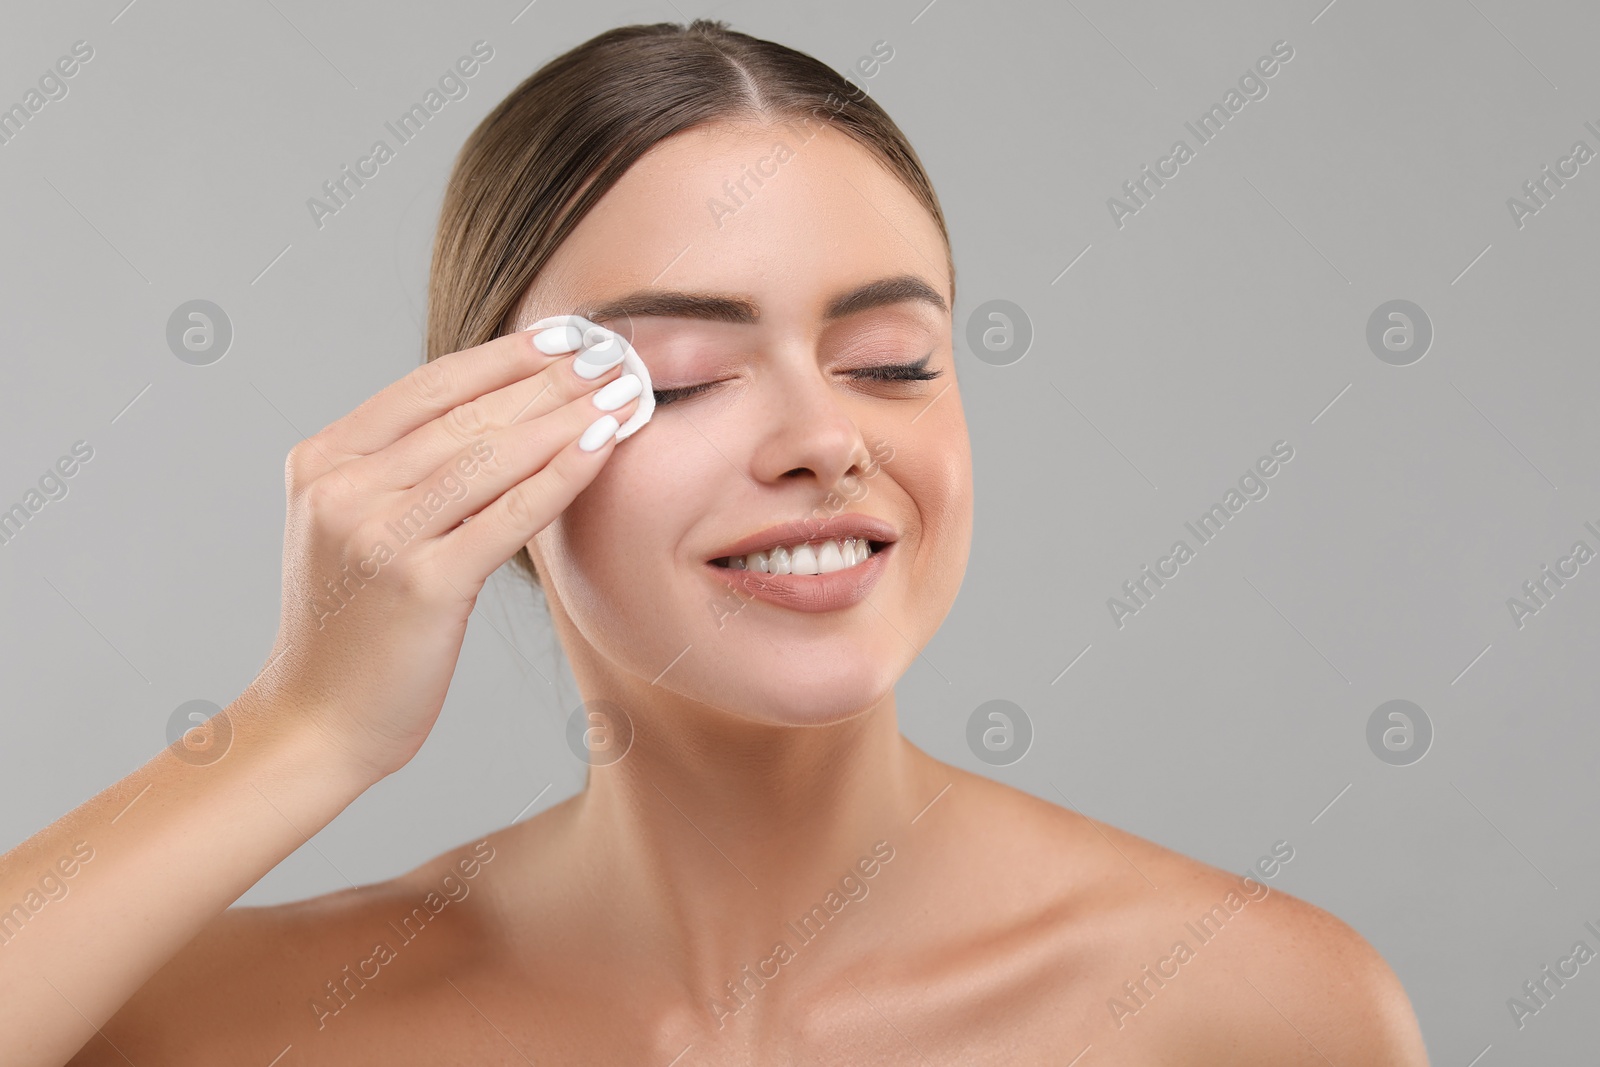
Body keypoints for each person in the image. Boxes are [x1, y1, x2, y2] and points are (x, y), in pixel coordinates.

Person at [2, 20, 1429, 1065]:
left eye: (890, 360)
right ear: (489, 449)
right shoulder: (246, 1026)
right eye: (678, 375)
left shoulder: (1247, 1006)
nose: (825, 436)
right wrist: (300, 730)